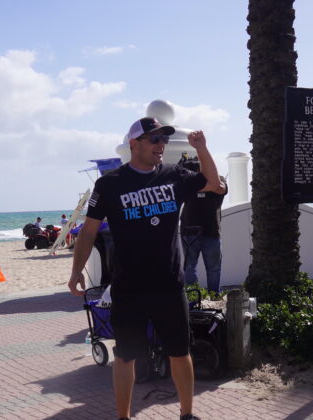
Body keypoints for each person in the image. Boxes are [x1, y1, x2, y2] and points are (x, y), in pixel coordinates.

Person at [68, 117, 224, 420]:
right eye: (154, 139)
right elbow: (88, 231)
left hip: (169, 285)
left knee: (180, 352)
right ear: (134, 144)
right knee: (125, 357)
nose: (160, 145)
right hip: (129, 288)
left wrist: (202, 148)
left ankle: (187, 414)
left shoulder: (174, 175)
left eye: (163, 139)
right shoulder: (110, 184)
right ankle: (123, 417)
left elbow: (213, 183)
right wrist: (76, 271)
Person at [179, 158, 228, 293]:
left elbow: (219, 188)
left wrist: (196, 180)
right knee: (189, 267)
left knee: (214, 268)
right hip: (189, 231)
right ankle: (193, 297)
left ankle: (214, 296)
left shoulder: (220, 180)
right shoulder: (188, 182)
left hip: (211, 231)